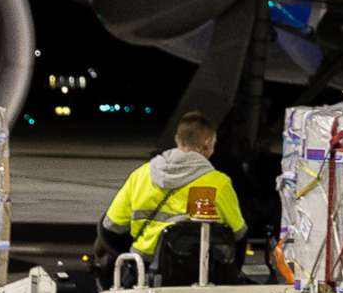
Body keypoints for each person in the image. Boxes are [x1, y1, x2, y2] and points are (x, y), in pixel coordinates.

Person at [96, 110, 247, 273]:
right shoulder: (218, 183)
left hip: (146, 270)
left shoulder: (141, 175)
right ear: (208, 142)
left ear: (177, 139)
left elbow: (111, 227)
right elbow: (238, 234)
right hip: (200, 273)